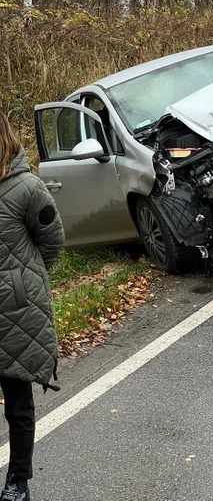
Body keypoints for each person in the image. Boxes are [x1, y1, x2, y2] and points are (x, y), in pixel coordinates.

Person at [0, 114, 64, 501]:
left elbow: (52, 241)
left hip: (15, 311)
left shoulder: (28, 187)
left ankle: (17, 482)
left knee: (17, 403)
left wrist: (23, 281)